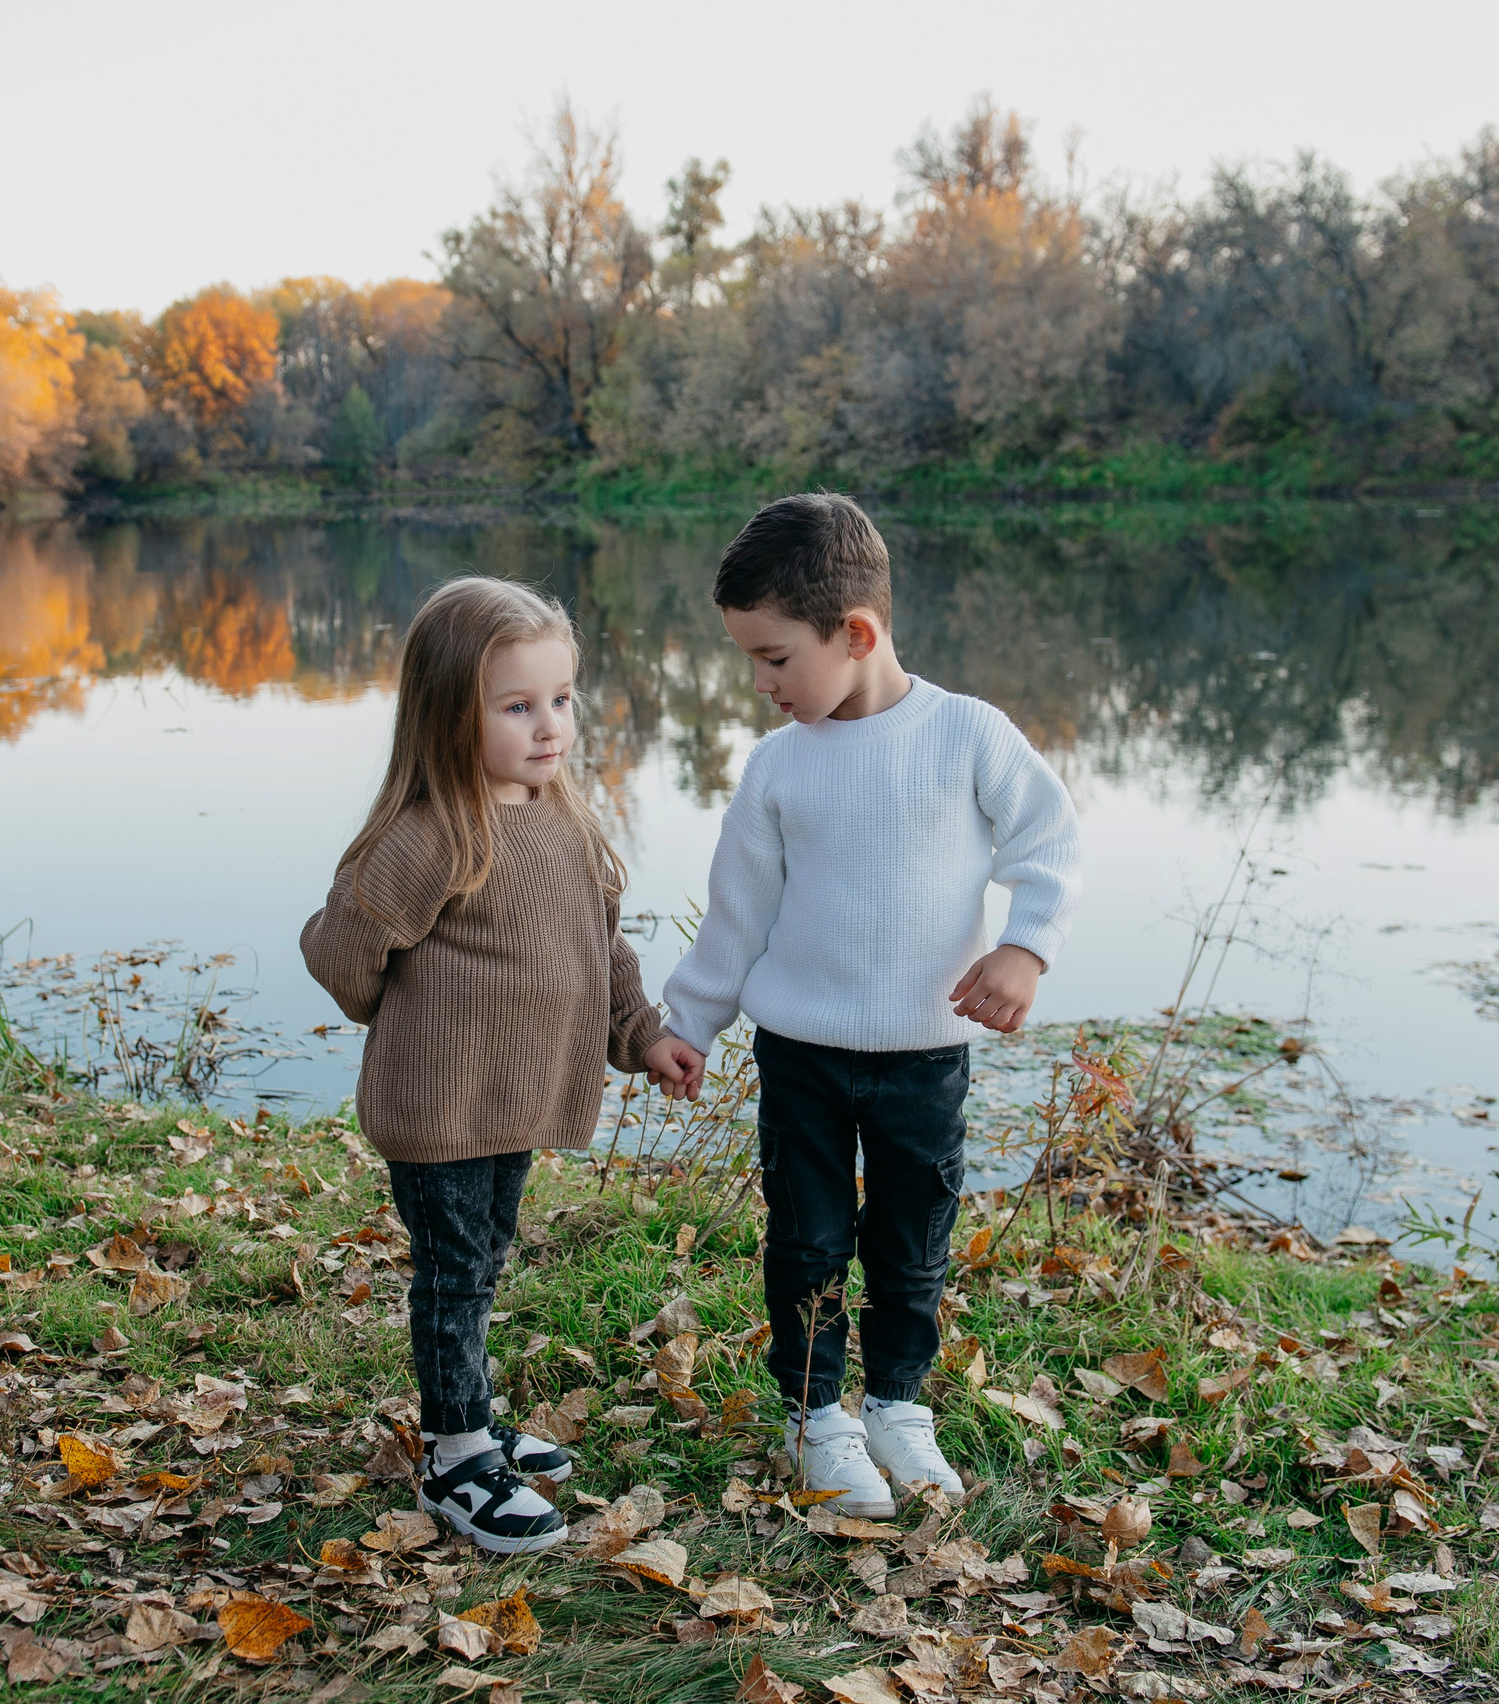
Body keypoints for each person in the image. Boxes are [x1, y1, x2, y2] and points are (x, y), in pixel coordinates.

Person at [660, 493, 1082, 1517]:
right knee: (806, 1241)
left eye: (774, 658)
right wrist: (688, 1021)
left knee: (909, 1238)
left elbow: (1050, 842)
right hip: (799, 1053)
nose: (761, 686)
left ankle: (896, 1405)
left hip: (922, 1059)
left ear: (855, 634)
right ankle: (816, 1419)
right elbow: (737, 916)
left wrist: (1023, 948)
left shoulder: (967, 736)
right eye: (750, 662)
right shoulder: (776, 771)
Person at [301, 576, 705, 1554]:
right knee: (451, 1274)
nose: (549, 725)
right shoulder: (431, 834)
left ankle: (469, 1415)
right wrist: (387, 1014)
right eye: (517, 706)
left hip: (511, 1100)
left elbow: (596, 946)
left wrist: (643, 1034)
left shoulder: (559, 816)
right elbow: (342, 947)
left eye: (560, 699)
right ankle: (453, 1458)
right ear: (450, 714)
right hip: (440, 1104)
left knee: (481, 1262)